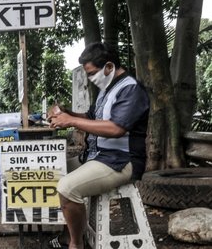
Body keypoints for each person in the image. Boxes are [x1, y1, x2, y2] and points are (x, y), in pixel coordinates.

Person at [44, 42, 150, 249]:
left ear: (109, 67)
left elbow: (115, 129)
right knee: (55, 171)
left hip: (121, 161)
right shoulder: (106, 90)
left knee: (67, 187)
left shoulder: (131, 89)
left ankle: (76, 244)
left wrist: (71, 121)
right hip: (97, 156)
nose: (91, 78)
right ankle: (68, 233)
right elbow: (91, 117)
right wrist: (66, 113)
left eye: (93, 73)